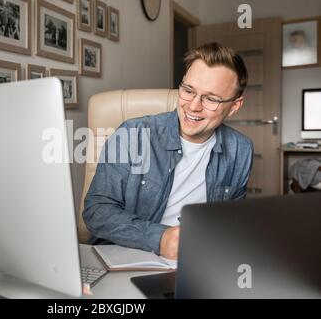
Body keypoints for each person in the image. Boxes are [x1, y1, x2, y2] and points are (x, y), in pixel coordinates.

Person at [83, 42, 254, 260]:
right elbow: (97, 211)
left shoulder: (241, 149)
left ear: (234, 106)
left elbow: (230, 220)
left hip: (195, 260)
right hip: (125, 255)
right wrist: (160, 239)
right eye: (188, 91)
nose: (193, 106)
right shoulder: (132, 133)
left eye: (210, 99)